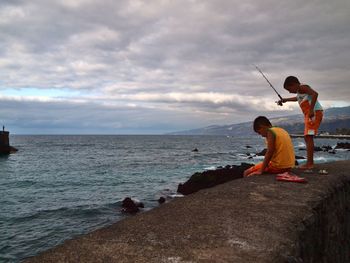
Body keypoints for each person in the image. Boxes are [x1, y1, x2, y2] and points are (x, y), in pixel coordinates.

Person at [279, 76, 323, 169]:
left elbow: (315, 94)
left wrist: (311, 110)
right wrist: (285, 100)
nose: (289, 91)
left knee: (308, 137)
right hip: (310, 114)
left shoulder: (303, 87)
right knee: (307, 137)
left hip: (314, 113)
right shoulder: (300, 91)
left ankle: (310, 163)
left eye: (289, 89)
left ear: (294, 84)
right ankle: (310, 162)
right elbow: (297, 98)